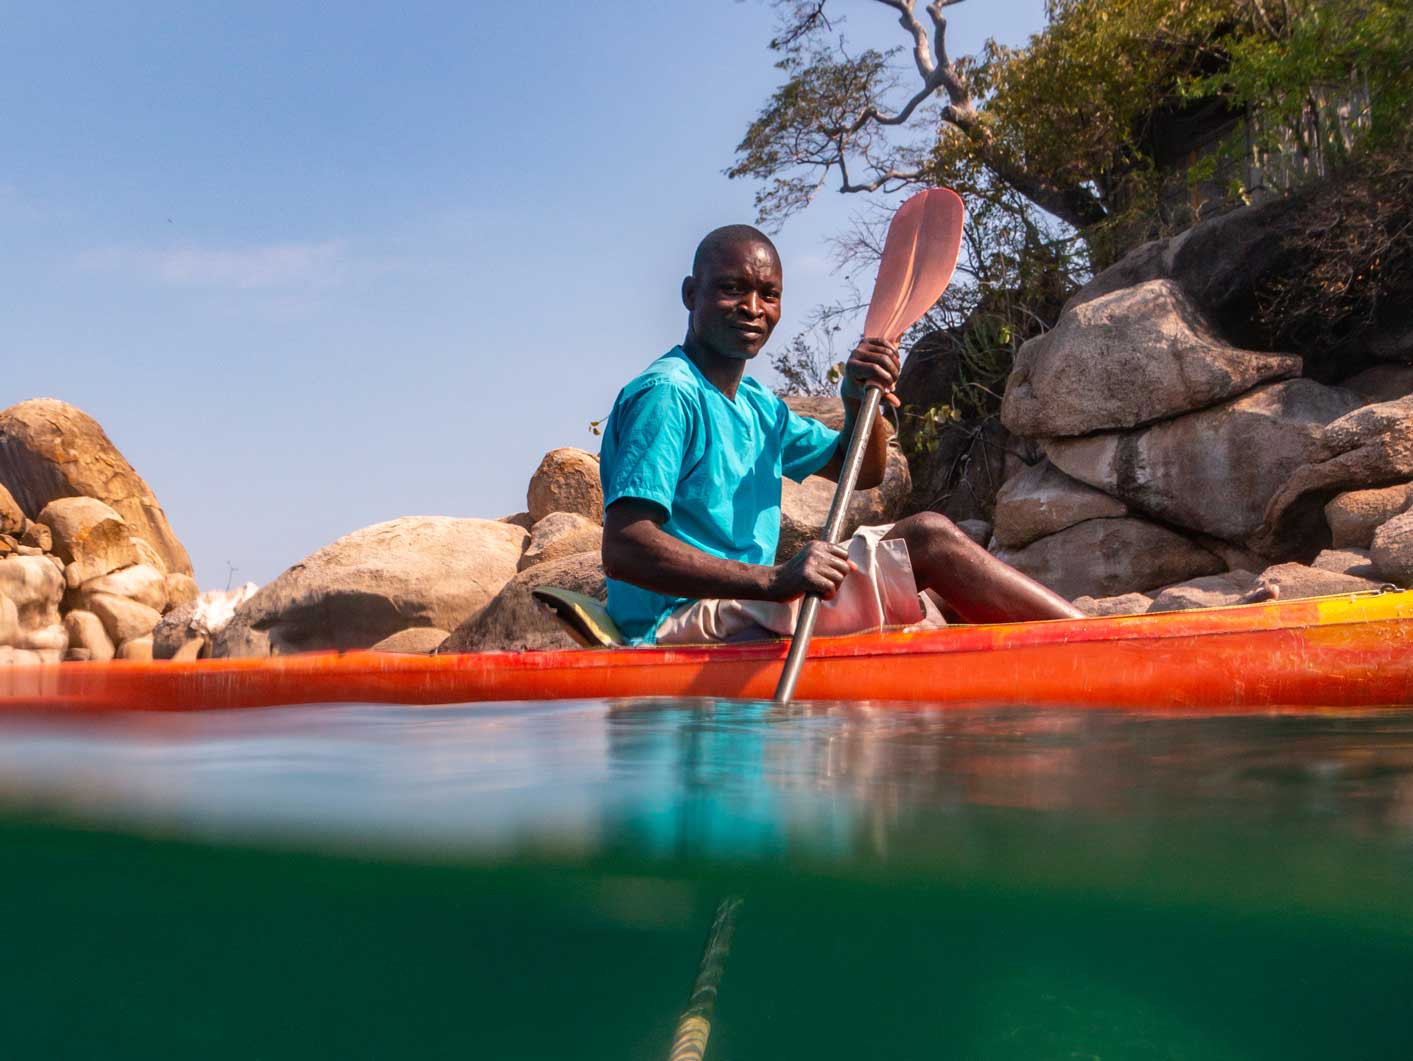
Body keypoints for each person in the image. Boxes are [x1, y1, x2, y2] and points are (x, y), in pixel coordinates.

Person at [598, 224, 1083, 646]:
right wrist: (775, 580)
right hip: (676, 620)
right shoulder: (667, 394)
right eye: (731, 289)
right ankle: (1098, 642)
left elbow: (864, 471)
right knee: (929, 540)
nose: (752, 308)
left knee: (933, 594)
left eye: (768, 295)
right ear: (690, 294)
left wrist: (857, 402)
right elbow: (625, 549)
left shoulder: (758, 405)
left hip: (739, 605)